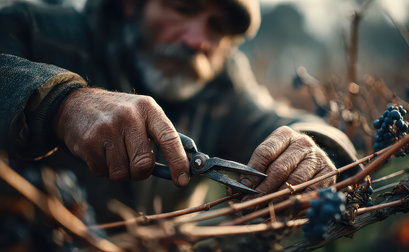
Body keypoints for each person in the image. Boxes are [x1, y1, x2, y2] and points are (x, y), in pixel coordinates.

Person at [0, 0, 358, 224]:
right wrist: (62, 103)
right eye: (184, 8)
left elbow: (276, 120)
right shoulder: (32, 28)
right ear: (130, 5)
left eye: (216, 27)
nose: (196, 40)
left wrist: (314, 144)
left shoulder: (223, 84)